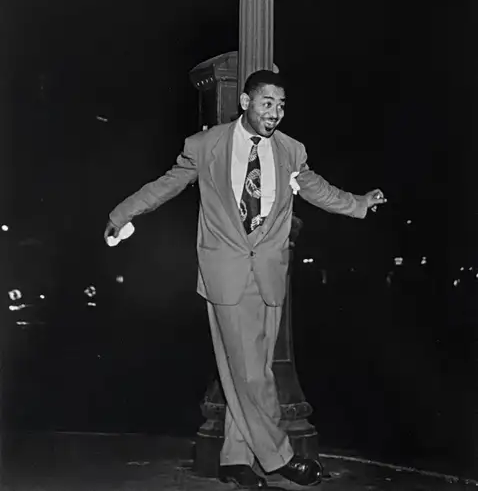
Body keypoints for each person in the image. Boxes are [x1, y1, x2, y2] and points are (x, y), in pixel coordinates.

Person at [105, 70, 386, 488]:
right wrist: (122, 213)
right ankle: (280, 457)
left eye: (282, 105)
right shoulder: (206, 147)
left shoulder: (291, 151)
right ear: (246, 103)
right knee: (252, 373)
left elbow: (317, 189)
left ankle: (236, 459)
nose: (276, 113)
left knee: (247, 369)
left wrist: (358, 203)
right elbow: (165, 186)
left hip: (270, 276)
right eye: (267, 103)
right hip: (226, 274)